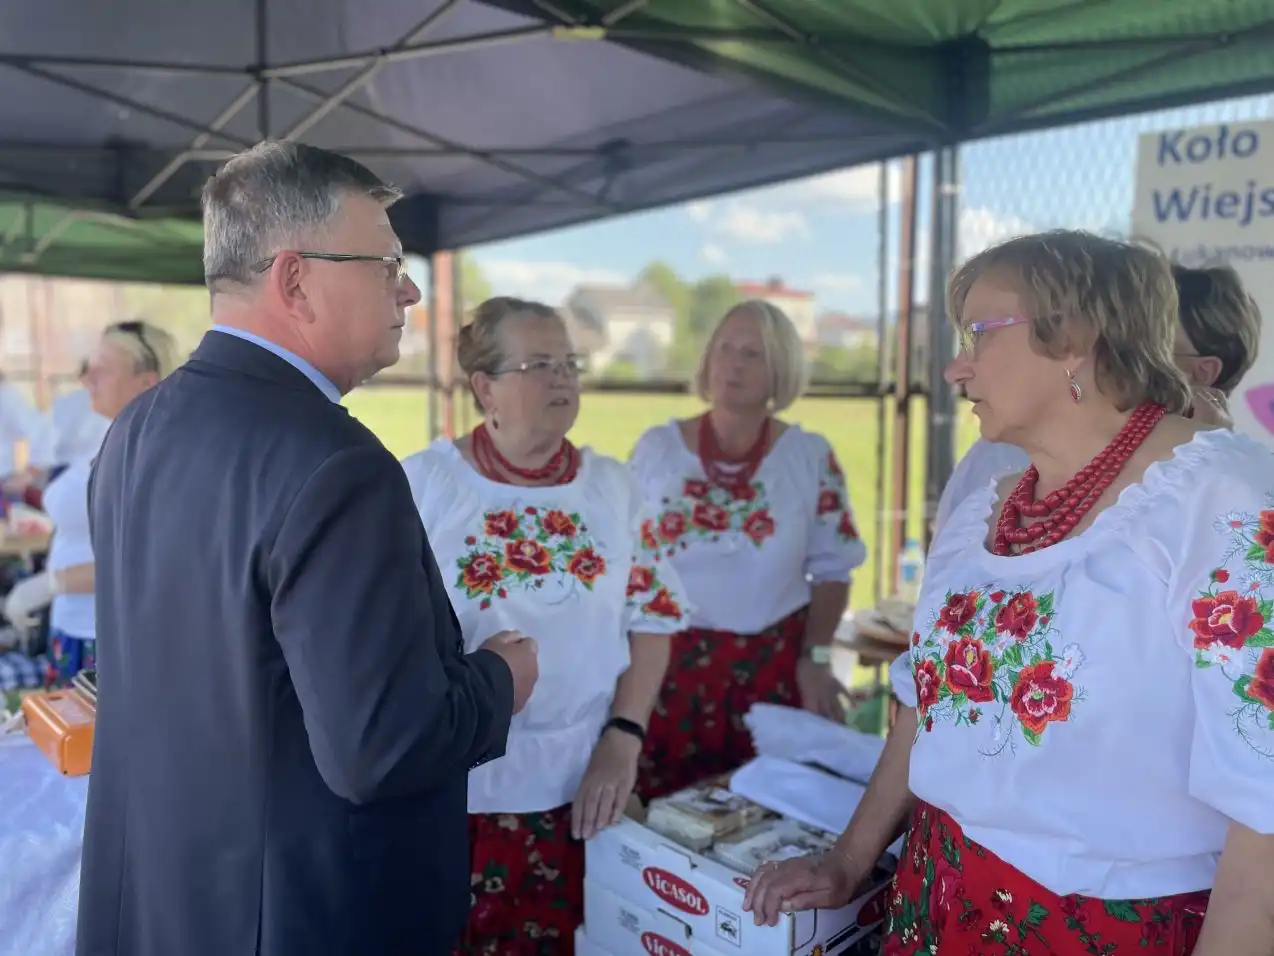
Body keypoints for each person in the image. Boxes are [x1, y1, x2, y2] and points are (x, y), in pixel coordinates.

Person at [742, 231, 1274, 955]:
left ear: (1077, 339)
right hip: (938, 897)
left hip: (1101, 932)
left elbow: (1264, 822)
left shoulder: (1228, 503)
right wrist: (847, 860)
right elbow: (926, 708)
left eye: (980, 335)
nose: (958, 367)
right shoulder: (987, 507)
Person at [77, 142, 537, 956]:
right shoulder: (336, 464)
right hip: (299, 915)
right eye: (387, 264)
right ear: (295, 280)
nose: (411, 290)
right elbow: (382, 747)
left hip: (166, 897)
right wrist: (502, 677)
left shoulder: (137, 430)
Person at [402, 297, 690, 955]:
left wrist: (624, 737)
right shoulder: (424, 486)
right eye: (538, 364)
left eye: (570, 364)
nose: (562, 379)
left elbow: (653, 618)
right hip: (450, 792)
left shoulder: (613, 489)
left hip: (581, 786)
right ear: (484, 388)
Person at [628, 299, 867, 800]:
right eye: (724, 349)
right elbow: (627, 562)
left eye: (752, 354)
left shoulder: (808, 456)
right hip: (666, 668)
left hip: (772, 669)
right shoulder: (658, 449)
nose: (732, 364)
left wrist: (817, 659)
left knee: (764, 814)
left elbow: (833, 570)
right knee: (668, 817)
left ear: (780, 368)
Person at [931, 260, 1260, 536]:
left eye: (1155, 347)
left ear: (1203, 374)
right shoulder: (1003, 456)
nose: (1119, 353)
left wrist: (1193, 475)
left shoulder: (1229, 487)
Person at [2, 323, 179, 685]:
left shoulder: (157, 456)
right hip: (74, 628)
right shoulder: (108, 437)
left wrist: (50, 584)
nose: (87, 378)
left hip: (113, 638)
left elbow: (148, 560)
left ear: (146, 382)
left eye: (104, 368)